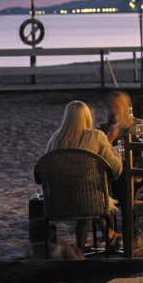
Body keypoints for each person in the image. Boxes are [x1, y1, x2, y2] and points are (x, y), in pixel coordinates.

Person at [46, 101, 123, 251]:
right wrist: (110, 141)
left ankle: (81, 250)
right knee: (89, 195)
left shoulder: (55, 139)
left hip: (57, 201)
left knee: (85, 196)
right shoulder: (96, 137)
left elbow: (45, 169)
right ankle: (109, 234)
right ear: (87, 117)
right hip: (88, 201)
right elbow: (116, 168)